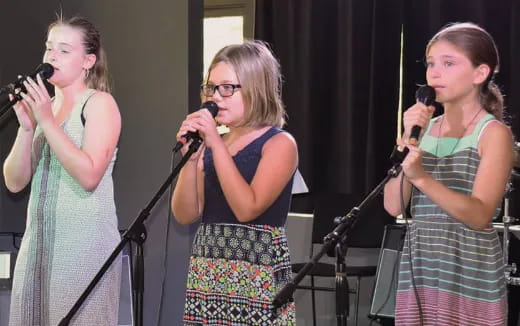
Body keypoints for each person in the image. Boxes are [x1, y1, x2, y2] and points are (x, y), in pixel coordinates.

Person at [383, 22, 512, 326]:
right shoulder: (423, 129)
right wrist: (408, 137)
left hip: (468, 267)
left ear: (480, 73)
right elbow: (393, 205)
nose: (434, 73)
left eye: (448, 63)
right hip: (422, 264)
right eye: (430, 63)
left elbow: (480, 215)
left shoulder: (493, 134)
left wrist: (423, 179)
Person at [4, 16, 122, 325]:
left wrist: (45, 120)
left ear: (88, 61)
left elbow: (89, 175)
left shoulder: (99, 104)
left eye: (65, 50)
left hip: (83, 251)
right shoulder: (46, 110)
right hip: (38, 251)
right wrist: (27, 128)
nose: (52, 56)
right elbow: (14, 182)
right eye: (49, 48)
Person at [171, 40, 298, 325]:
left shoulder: (279, 144)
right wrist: (191, 161)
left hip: (256, 269)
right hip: (210, 266)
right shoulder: (214, 144)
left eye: (227, 88)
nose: (216, 97)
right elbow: (185, 214)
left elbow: (247, 208)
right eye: (211, 88)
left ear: (257, 88)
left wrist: (215, 144)